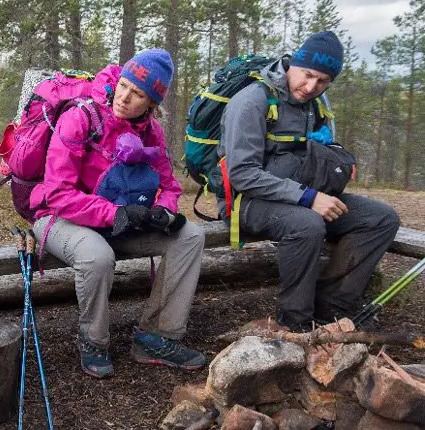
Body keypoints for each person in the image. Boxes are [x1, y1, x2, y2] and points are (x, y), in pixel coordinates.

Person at [32, 49, 206, 379]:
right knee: (96, 256)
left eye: (137, 94)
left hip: (119, 220)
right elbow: (57, 193)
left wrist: (163, 212)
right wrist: (117, 213)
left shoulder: (151, 133)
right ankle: (93, 340)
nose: (124, 98)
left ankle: (156, 336)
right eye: (123, 85)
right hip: (58, 218)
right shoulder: (81, 117)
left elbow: (170, 185)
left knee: (191, 235)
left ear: (152, 103)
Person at [217, 30, 400, 331]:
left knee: (380, 219)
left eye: (323, 81)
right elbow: (242, 174)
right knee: (307, 225)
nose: (312, 86)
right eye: (308, 75)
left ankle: (333, 310)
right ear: (293, 64)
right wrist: (309, 198)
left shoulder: (316, 105)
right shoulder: (251, 101)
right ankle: (296, 322)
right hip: (247, 202)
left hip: (301, 195)